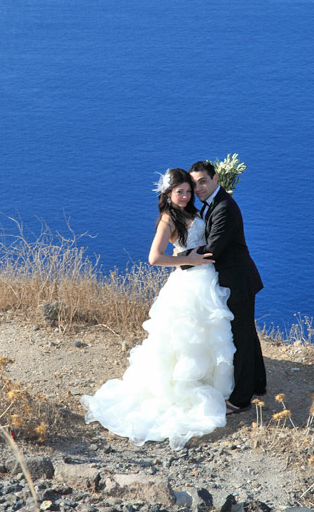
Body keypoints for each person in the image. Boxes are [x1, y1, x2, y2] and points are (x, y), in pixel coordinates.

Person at [81, 168, 236, 450]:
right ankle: (183, 390)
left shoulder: (193, 210)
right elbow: (154, 258)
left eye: (189, 190)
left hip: (206, 280)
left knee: (207, 334)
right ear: (168, 193)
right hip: (189, 282)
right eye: (181, 192)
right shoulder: (168, 219)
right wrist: (188, 258)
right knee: (186, 337)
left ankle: (208, 383)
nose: (187, 195)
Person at [187, 161, 266, 414]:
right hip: (235, 279)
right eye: (194, 183)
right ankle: (257, 384)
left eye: (203, 181)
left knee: (241, 339)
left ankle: (241, 400)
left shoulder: (224, 208)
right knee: (247, 334)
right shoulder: (213, 203)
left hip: (237, 281)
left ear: (215, 178)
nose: (198, 188)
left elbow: (213, 249)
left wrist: (180, 260)